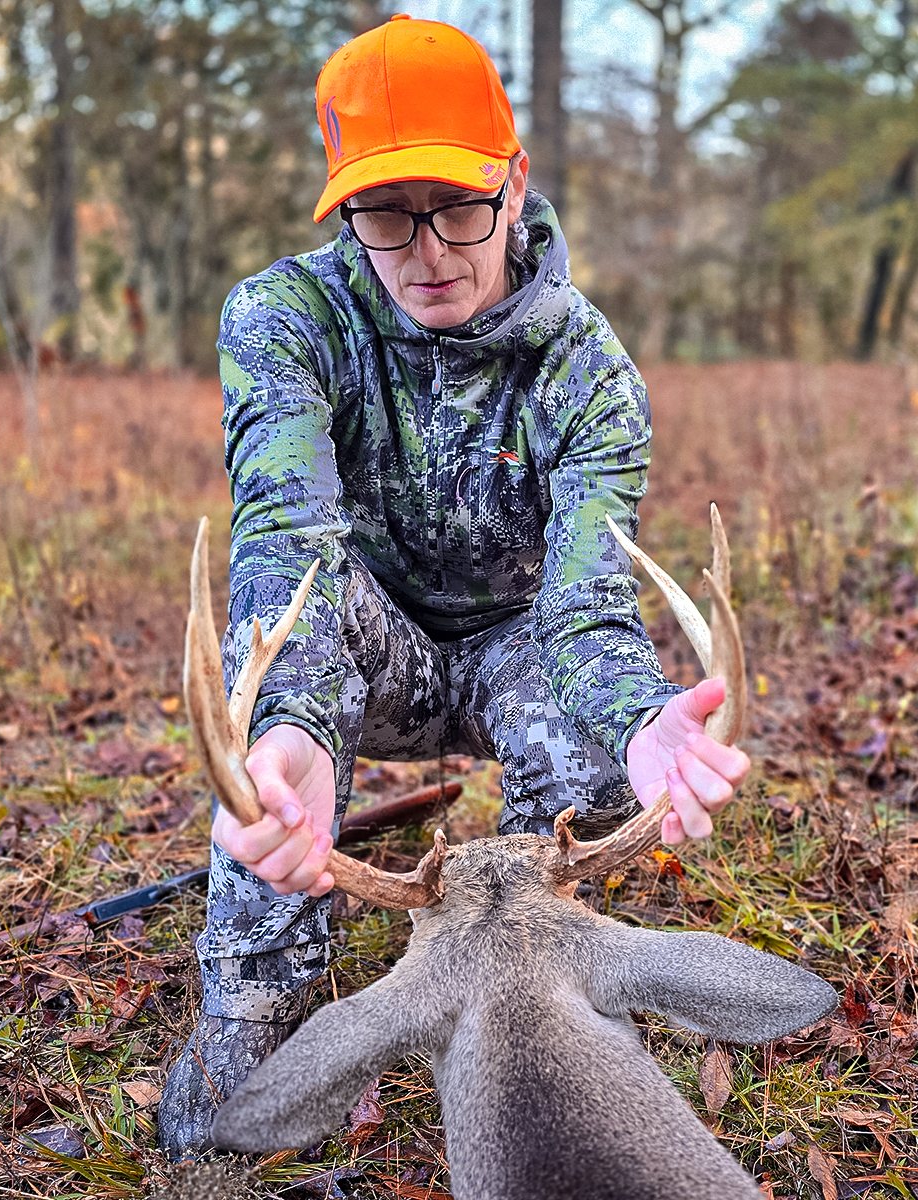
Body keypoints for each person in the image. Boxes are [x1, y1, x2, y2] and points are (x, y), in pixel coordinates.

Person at [158, 15, 751, 1158]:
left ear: (513, 184)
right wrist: (289, 730)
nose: (428, 250)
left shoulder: (588, 372)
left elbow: (585, 603)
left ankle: (525, 973)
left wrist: (640, 723)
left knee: (591, 767)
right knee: (282, 696)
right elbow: (289, 542)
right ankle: (259, 1003)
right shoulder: (286, 322)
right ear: (344, 212)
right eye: (387, 213)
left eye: (459, 208)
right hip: (363, 647)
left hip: (515, 651)